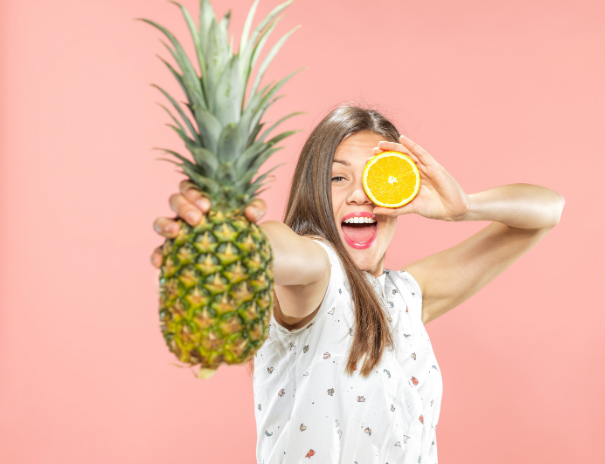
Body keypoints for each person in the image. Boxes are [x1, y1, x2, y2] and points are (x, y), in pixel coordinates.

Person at [150, 105, 565, 463]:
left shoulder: (404, 296)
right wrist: (227, 235)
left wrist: (463, 207)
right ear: (313, 190)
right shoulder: (317, 276)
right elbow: (278, 247)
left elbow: (547, 209)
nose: (361, 195)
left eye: (377, 176)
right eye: (337, 178)